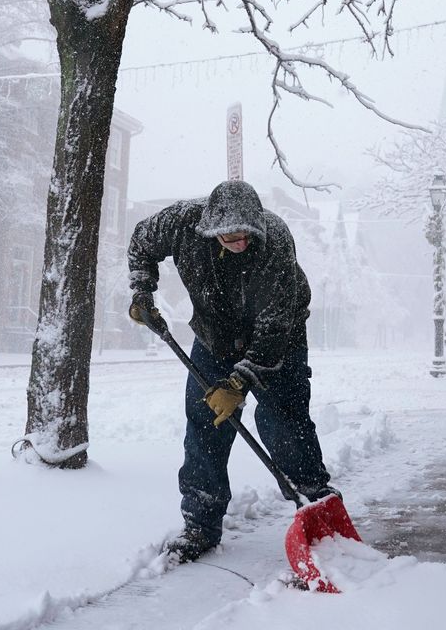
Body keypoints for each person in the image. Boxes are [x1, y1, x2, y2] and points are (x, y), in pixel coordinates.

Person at [127, 180, 338, 563]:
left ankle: (317, 505)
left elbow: (274, 326)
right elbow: (141, 241)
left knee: (283, 419)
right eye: (228, 236)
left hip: (280, 337)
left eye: (244, 235)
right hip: (214, 335)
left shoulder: (275, 240)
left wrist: (239, 383)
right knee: (206, 421)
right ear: (210, 227)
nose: (238, 242)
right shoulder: (181, 223)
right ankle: (200, 524)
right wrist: (143, 291)